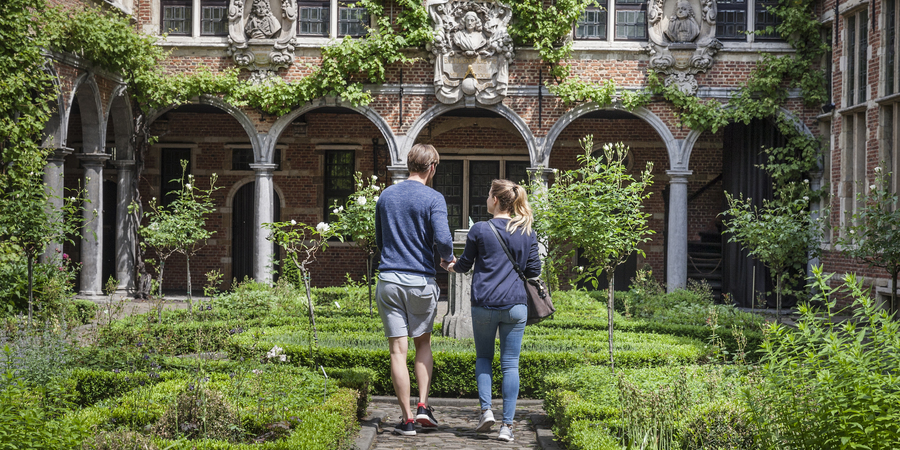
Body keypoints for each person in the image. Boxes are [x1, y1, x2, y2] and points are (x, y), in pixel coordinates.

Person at [445, 179, 540, 443]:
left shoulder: (480, 230)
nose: (487, 199)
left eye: (488, 194)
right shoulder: (526, 231)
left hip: (484, 305)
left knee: (484, 358)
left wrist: (450, 266)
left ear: (496, 200)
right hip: (516, 306)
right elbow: (533, 271)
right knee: (511, 365)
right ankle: (507, 427)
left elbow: (464, 265)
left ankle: (486, 411)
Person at [375, 143, 456, 437]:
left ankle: (407, 420)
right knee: (423, 345)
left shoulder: (385, 195)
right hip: (420, 281)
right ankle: (423, 406)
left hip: (390, 280)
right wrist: (446, 259)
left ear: (409, 164)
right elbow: (444, 239)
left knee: (398, 351)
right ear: (432, 167)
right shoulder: (433, 198)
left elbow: (380, 238)